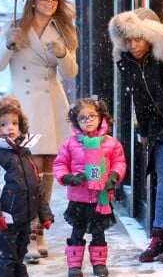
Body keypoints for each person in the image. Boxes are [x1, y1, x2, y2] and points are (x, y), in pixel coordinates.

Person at [0, 0, 78, 262]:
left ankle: (40, 229)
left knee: (47, 169)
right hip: (24, 109)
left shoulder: (62, 29)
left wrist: (62, 54)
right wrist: (7, 45)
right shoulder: (14, 27)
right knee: (26, 172)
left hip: (51, 104)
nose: (49, 0)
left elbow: (70, 73)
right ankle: (25, 230)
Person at [108, 8, 163, 264]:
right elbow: (139, 98)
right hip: (159, 126)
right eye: (127, 40)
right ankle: (160, 233)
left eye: (138, 38)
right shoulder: (128, 62)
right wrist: (144, 131)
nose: (133, 44)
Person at [0, 96, 54, 277]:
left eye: (14, 123)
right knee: (2, 262)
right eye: (3, 124)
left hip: (24, 219)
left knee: (18, 258)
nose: (10, 128)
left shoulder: (23, 153)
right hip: (5, 220)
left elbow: (35, 187)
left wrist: (44, 214)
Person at [53, 96, 126, 277]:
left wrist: (114, 176)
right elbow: (60, 164)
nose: (88, 121)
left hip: (101, 198)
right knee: (77, 233)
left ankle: (99, 264)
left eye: (92, 116)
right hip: (80, 198)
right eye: (83, 118)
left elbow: (119, 162)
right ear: (76, 121)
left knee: (98, 233)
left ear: (100, 117)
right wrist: (68, 178)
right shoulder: (70, 144)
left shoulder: (110, 143)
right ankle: (75, 265)